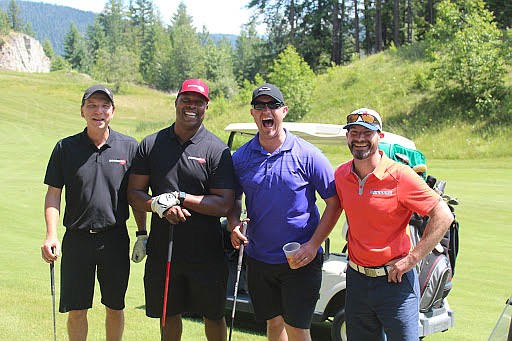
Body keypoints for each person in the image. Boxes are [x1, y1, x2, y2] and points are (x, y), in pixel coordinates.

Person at [227, 83, 341, 341]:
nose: (267, 111)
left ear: (284, 111)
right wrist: (233, 224)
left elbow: (334, 203)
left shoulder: (309, 155)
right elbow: (233, 199)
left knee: (298, 329)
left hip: (301, 259)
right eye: (260, 106)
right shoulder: (240, 158)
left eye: (273, 105)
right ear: (253, 113)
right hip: (259, 259)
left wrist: (313, 245)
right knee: (273, 325)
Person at [127, 79, 234, 341]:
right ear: (176, 102)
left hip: (207, 251)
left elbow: (223, 204)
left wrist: (180, 198)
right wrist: (158, 206)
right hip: (164, 248)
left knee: (213, 315)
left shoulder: (216, 150)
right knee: (168, 314)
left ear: (206, 107)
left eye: (198, 102)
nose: (191, 106)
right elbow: (134, 194)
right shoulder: (151, 144)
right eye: (186, 100)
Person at [334, 108, 454, 340]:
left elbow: (443, 214)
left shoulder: (400, 175)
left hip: (395, 282)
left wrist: (411, 259)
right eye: (354, 132)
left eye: (367, 133)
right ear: (347, 136)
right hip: (357, 281)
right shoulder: (341, 175)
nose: (359, 138)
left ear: (380, 136)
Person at [40, 84, 146, 341]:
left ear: (113, 111)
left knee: (115, 306)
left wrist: (142, 234)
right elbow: (54, 193)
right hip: (77, 239)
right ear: (82, 111)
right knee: (77, 309)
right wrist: (51, 235)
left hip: (114, 238)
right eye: (92, 106)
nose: (98, 111)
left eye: (104, 106)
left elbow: (136, 195)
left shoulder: (129, 147)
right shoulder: (65, 148)